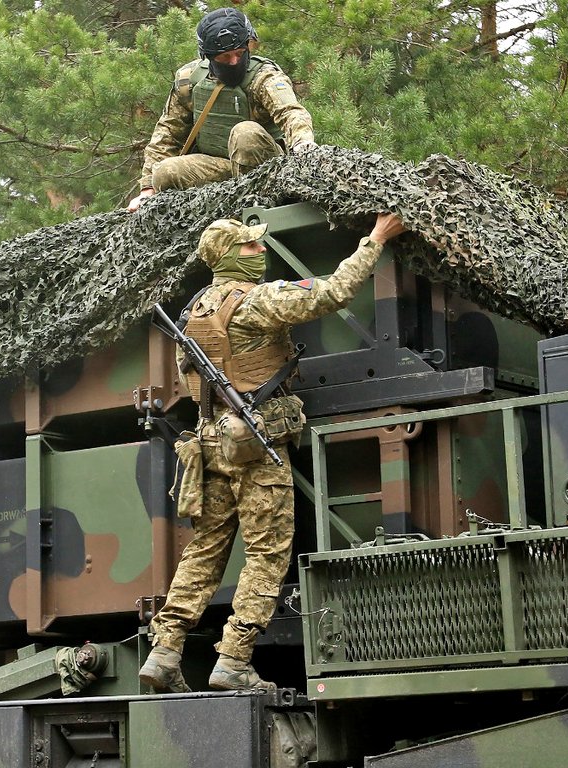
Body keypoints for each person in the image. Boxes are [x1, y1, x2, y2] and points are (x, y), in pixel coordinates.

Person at [139, 212, 406, 691]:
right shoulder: (257, 301)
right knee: (266, 554)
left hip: (209, 445)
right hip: (256, 448)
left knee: (203, 551)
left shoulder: (194, 310)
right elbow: (333, 292)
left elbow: (190, 378)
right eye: (249, 247)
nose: (261, 251)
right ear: (226, 256)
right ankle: (234, 661)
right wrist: (375, 239)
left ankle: (165, 651)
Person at [127, 8, 317, 212]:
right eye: (225, 57)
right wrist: (147, 189)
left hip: (267, 168)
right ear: (208, 57)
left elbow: (291, 112)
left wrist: (303, 144)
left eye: (239, 53)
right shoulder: (189, 82)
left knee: (245, 133)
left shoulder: (264, 78)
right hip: (220, 167)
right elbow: (167, 133)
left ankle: (256, 207)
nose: (234, 62)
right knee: (165, 171)